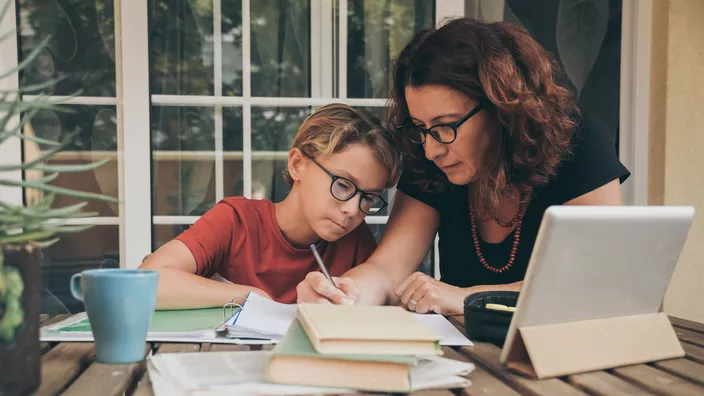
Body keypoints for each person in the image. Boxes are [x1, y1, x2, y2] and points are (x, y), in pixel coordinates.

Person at [296, 18, 630, 315]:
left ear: (502, 108)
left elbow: (594, 280)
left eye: (445, 125)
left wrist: (466, 297)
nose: (430, 149)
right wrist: (344, 293)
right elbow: (386, 270)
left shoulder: (579, 144)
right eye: (421, 128)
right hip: (467, 359)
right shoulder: (430, 162)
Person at [140, 104, 402, 309]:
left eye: (368, 197)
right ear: (297, 164)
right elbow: (146, 281)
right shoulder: (236, 221)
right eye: (343, 185)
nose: (353, 210)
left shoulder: (356, 241)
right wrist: (249, 295)